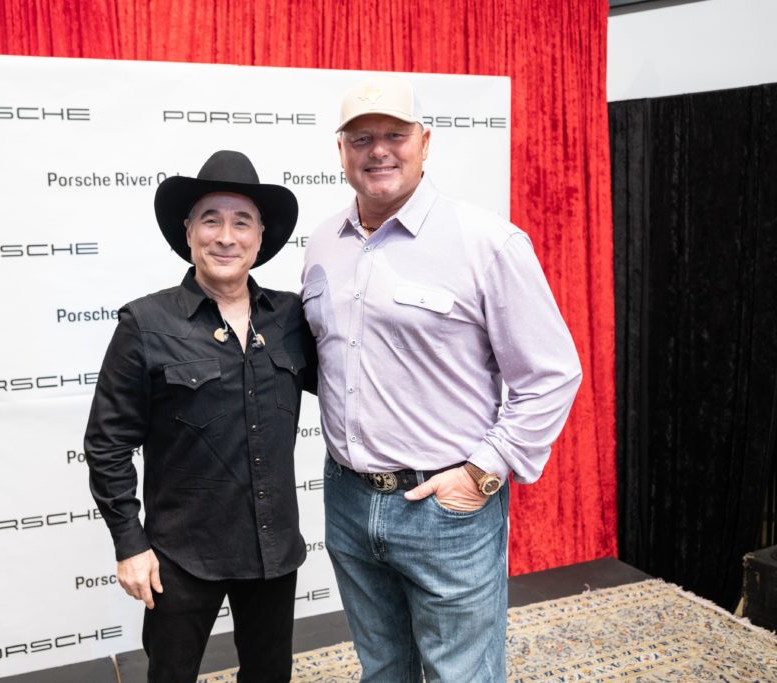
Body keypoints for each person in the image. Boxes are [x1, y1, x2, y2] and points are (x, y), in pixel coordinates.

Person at [302, 76, 582, 682]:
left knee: (463, 676)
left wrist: (483, 472)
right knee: (382, 671)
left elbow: (552, 373)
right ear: (341, 150)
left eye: (395, 136)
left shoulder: (488, 242)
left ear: (425, 143)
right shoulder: (322, 243)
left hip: (446, 509)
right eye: (361, 138)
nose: (378, 150)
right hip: (348, 500)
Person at [84, 150, 315, 683]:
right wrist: (130, 543)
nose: (226, 236)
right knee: (171, 675)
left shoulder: (291, 318)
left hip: (272, 549)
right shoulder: (145, 322)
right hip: (181, 555)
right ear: (189, 231)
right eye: (211, 219)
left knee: (269, 675)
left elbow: (356, 387)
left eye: (242, 222)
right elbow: (108, 442)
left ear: (261, 237)